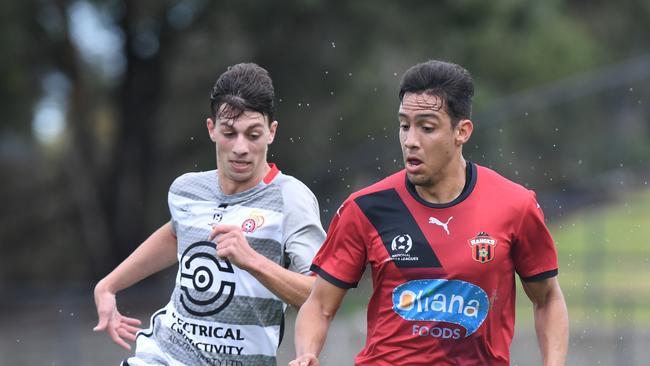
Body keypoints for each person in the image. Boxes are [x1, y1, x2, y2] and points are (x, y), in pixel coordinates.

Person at [290, 60, 569, 366]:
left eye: (426, 127)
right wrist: (307, 354)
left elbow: (547, 299)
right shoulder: (366, 207)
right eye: (404, 125)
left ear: (462, 131)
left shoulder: (514, 205)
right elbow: (319, 304)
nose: (411, 141)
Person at [93, 62, 326, 366]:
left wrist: (252, 260)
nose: (240, 147)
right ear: (211, 129)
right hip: (162, 356)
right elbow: (176, 233)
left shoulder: (291, 198)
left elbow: (320, 294)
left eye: (253, 134)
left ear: (271, 132)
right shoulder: (186, 190)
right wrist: (108, 285)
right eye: (229, 133)